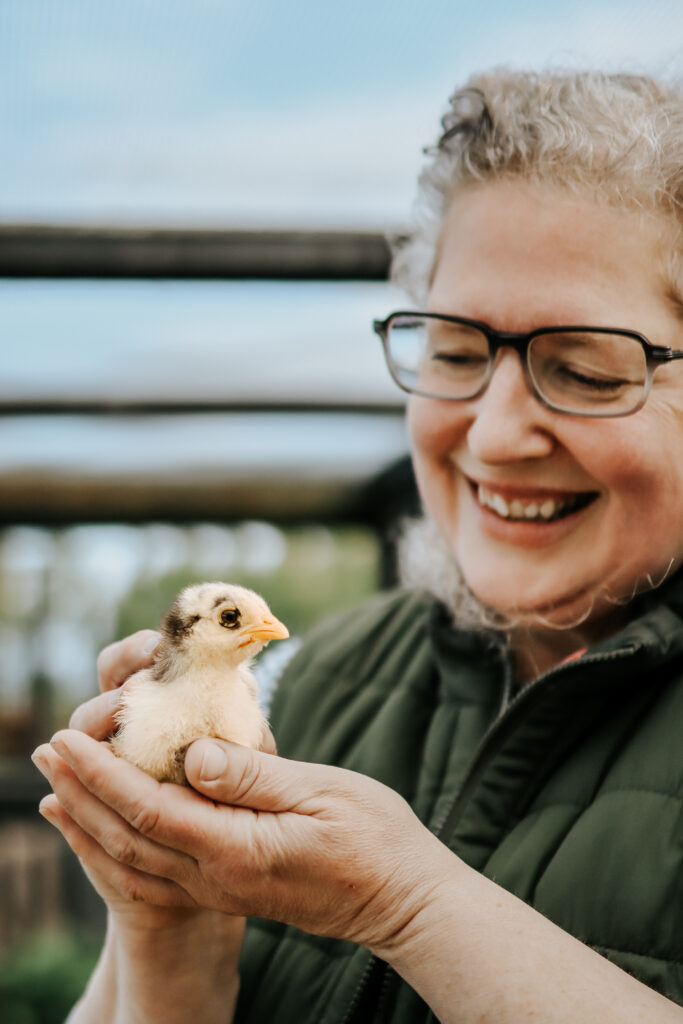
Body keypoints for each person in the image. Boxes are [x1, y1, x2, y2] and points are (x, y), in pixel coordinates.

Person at [32, 68, 683, 1023]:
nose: (495, 435)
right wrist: (165, 920)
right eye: (457, 353)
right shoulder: (314, 678)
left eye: (584, 369)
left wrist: (406, 904)